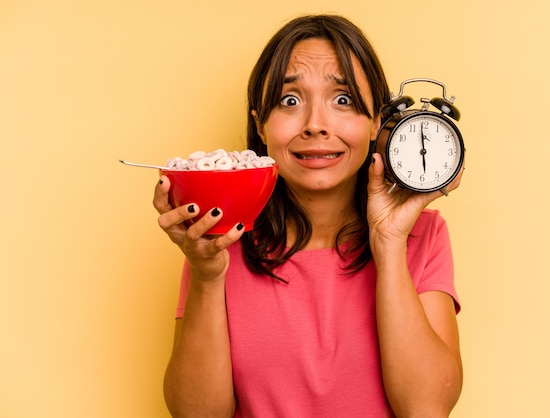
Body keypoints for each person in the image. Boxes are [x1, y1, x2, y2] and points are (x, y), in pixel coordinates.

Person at [153, 14, 464, 418]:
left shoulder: (423, 236)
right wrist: (207, 275)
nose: (315, 125)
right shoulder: (217, 241)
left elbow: (426, 408)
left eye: (343, 100)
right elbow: (197, 414)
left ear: (375, 123)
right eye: (290, 101)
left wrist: (388, 244)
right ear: (260, 125)